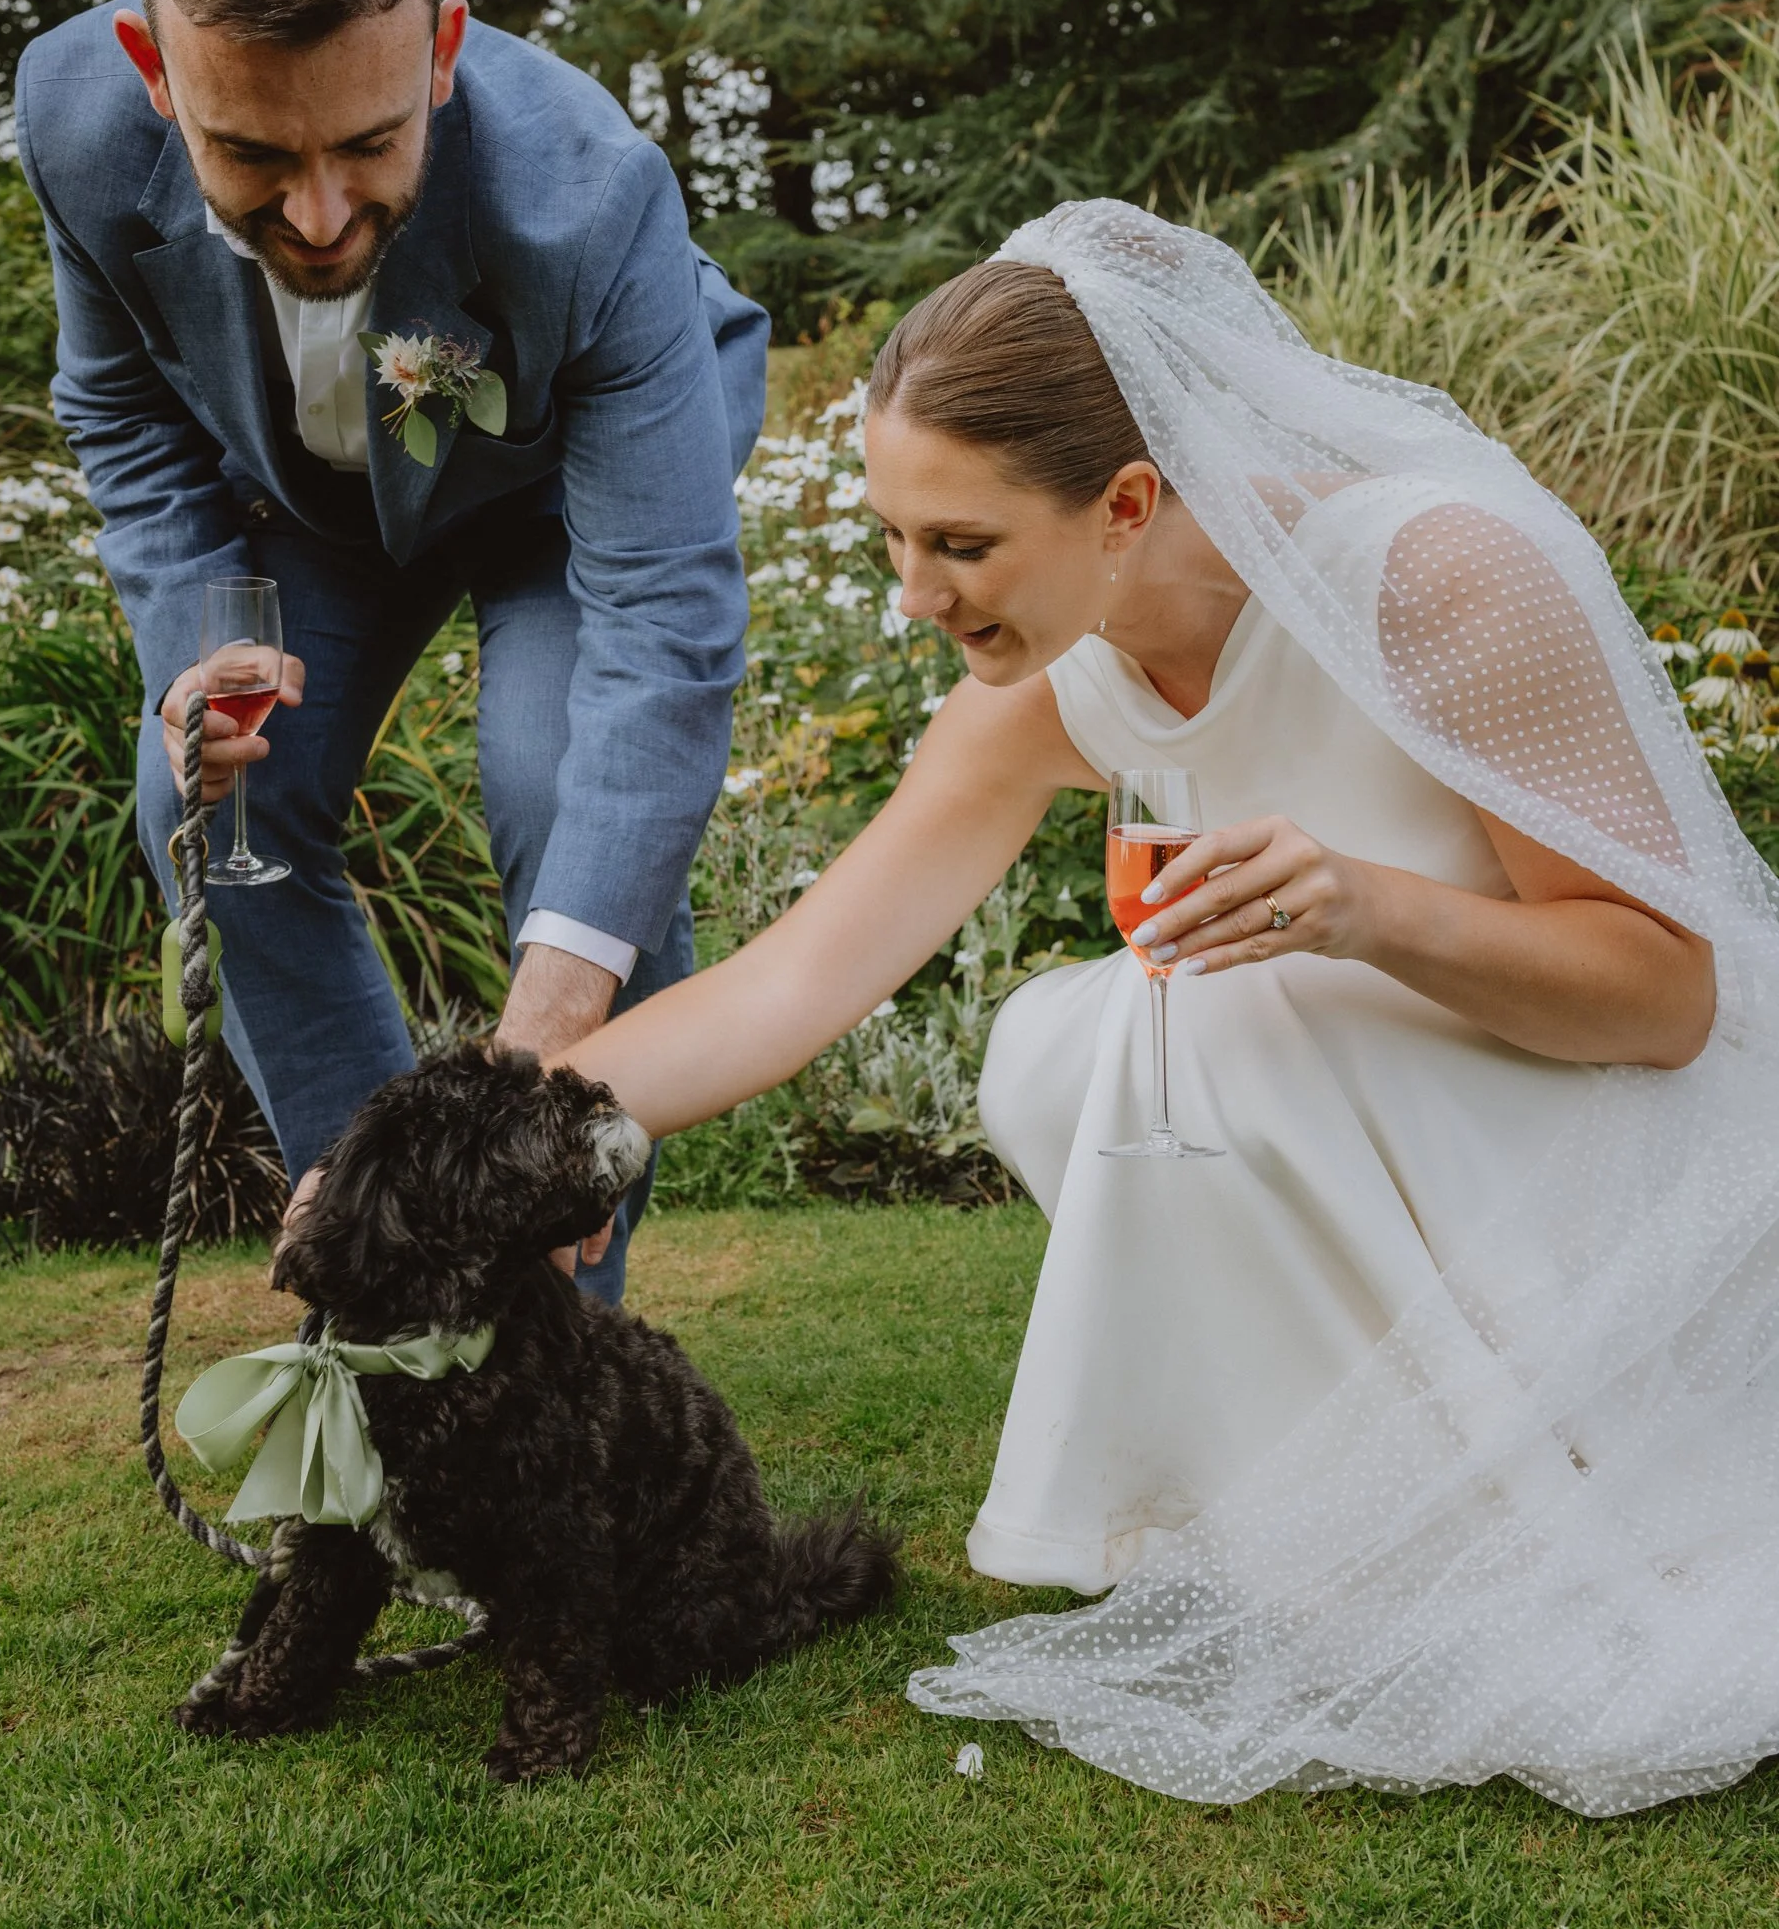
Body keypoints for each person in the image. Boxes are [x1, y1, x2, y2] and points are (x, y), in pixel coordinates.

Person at [554, 202, 1779, 1817]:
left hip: (1596, 1148)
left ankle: (1512, 1482)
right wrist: (498, 1129)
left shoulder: (1437, 579)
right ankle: (1329, 1523)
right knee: (1059, 1042)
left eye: (962, 546)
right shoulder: (1053, 683)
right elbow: (800, 973)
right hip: (1358, 1096)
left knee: (1186, 1019)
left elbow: (1667, 996)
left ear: (1124, 502)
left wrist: (1364, 907)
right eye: (894, 543)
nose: (916, 598)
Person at [16, 0, 766, 1303]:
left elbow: (662, 625)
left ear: (442, 45)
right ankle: (380, 1263)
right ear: (153, 72)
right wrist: (196, 660)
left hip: (569, 493)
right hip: (320, 507)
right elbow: (125, 415)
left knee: (563, 783)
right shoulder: (72, 121)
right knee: (211, 787)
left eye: (368, 142)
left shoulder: (588, 194)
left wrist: (537, 1070)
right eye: (255, 156)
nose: (318, 207)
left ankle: (549, 1312)